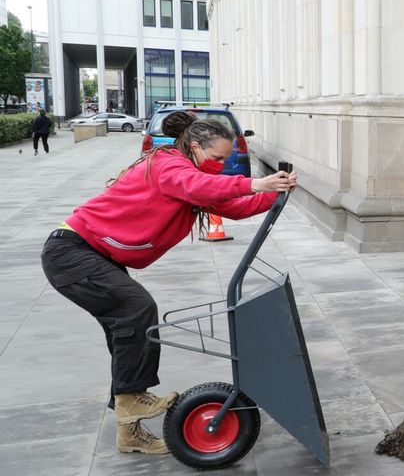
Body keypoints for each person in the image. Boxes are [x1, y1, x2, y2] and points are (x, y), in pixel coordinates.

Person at [41, 111, 297, 455]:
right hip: (72, 252)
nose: (221, 165)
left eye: (227, 159)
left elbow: (232, 207)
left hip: (96, 257)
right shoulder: (169, 165)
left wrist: (277, 193)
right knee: (137, 309)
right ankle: (132, 400)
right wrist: (257, 182)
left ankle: (129, 432)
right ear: (193, 146)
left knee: (126, 335)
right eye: (217, 157)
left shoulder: (187, 176)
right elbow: (202, 186)